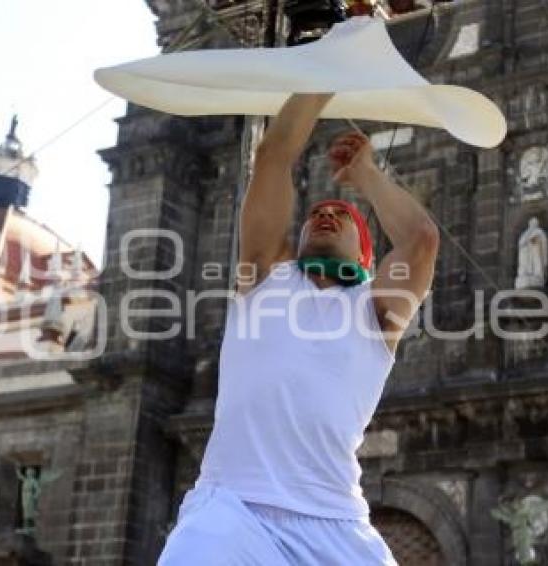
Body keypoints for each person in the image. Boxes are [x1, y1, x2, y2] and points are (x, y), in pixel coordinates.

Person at [158, 93, 439, 565]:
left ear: (366, 257)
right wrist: (318, 77)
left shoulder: (375, 307)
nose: (326, 214)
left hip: (335, 521)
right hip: (233, 508)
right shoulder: (263, 274)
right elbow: (273, 156)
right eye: (316, 216)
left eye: (343, 216)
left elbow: (421, 240)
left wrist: (366, 175)